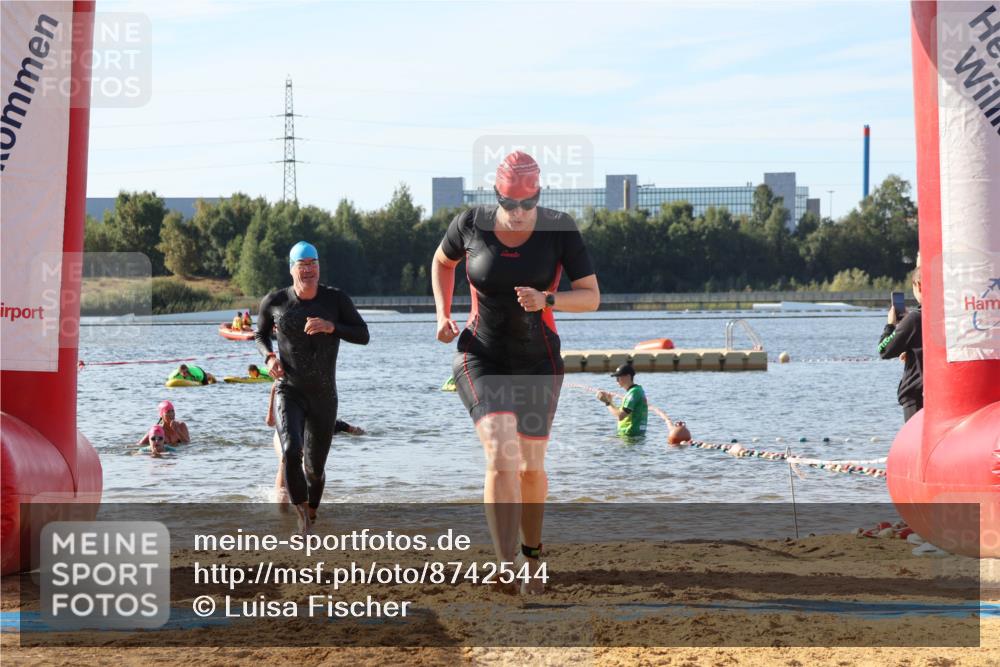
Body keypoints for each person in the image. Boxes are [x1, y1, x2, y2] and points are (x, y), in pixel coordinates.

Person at [431, 150, 600, 594]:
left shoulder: (559, 229)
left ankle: (532, 555)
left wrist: (548, 300)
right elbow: (441, 263)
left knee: (530, 467)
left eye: (529, 204)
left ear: (539, 196)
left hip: (538, 358)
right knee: (500, 451)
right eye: (511, 205)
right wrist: (442, 314)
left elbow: (591, 296)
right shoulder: (471, 224)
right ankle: (505, 564)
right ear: (497, 197)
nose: (521, 213)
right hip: (480, 353)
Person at [255, 240, 370, 533]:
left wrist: (332, 327)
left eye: (313, 265)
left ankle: (313, 511)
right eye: (302, 266)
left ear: (319, 267)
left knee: (315, 471)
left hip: (323, 395)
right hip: (289, 390)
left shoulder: (335, 300)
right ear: (292, 269)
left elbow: (363, 334)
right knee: (292, 450)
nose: (308, 271)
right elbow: (260, 335)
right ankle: (301, 517)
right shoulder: (276, 301)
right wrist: (268, 357)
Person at [264, 381, 365, 505]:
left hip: (308, 431)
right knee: (285, 461)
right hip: (284, 432)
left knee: (309, 467)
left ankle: (307, 504)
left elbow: (336, 423)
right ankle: (281, 505)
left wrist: (355, 431)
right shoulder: (288, 380)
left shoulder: (319, 409)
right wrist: (270, 414)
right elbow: (276, 386)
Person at [878, 268, 924, 422]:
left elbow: (884, 350)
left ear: (919, 285)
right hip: (940, 394)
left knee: (917, 444)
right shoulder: (949, 316)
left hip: (917, 395)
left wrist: (890, 325)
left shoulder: (914, 320)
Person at [596, 363, 648, 438]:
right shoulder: (636, 391)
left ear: (628, 376)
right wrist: (610, 401)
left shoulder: (634, 392)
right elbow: (621, 413)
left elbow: (620, 416)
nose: (616, 380)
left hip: (630, 436)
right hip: (631, 436)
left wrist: (607, 402)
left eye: (618, 377)